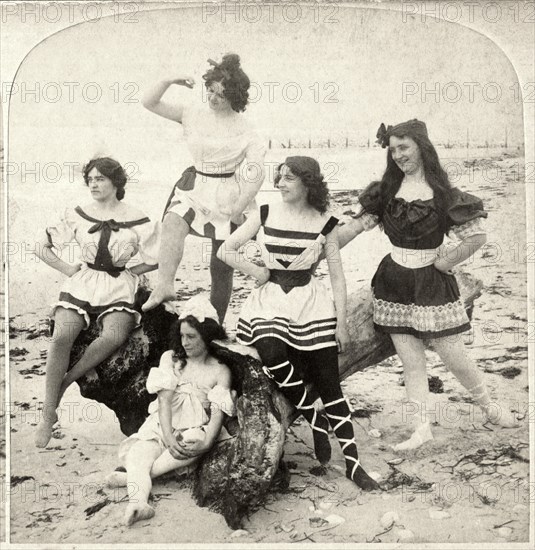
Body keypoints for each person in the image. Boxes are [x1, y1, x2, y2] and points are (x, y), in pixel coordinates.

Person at [338, 119, 519, 451]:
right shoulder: (386, 192)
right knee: (411, 360)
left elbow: (476, 237)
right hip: (393, 281)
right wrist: (317, 246)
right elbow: (350, 230)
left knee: (454, 356)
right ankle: (421, 428)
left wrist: (444, 262)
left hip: (432, 284)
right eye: (392, 150)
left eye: (404, 147)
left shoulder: (443, 195)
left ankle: (490, 407)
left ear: (422, 147)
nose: (398, 156)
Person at [217, 156, 379, 491]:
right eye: (279, 177)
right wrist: (258, 271)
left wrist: (341, 324)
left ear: (308, 182)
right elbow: (226, 250)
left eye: (289, 178)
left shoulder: (325, 221)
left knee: (331, 385)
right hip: (270, 300)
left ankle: (353, 464)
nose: (280, 183)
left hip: (312, 302)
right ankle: (312, 415)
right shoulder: (263, 211)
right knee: (272, 353)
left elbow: (336, 274)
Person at [34, 157, 159, 448]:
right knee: (62, 335)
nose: (93, 184)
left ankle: (64, 384)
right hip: (83, 281)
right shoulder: (78, 214)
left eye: (100, 178)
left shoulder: (139, 218)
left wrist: (131, 272)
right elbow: (40, 246)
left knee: (114, 334)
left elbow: (158, 257)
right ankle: (47, 412)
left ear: (116, 182)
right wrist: (68, 269)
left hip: (118, 285)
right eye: (90, 179)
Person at [140, 53, 266, 321]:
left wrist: (240, 206)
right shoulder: (192, 113)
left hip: (229, 192)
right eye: (210, 90)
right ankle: (165, 285)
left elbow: (256, 174)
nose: (213, 98)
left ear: (235, 96)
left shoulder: (248, 130)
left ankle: (215, 323)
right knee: (173, 221)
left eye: (221, 94)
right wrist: (169, 79)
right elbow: (149, 102)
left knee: (221, 263)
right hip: (195, 184)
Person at [105, 295, 235, 526]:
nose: (185, 342)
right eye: (182, 335)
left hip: (194, 428)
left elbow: (218, 412)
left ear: (207, 337)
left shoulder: (220, 370)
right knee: (138, 453)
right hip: (162, 424)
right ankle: (138, 503)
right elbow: (164, 402)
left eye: (192, 337)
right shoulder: (171, 359)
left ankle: (136, 476)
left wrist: (206, 443)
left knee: (192, 440)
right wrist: (166, 436)